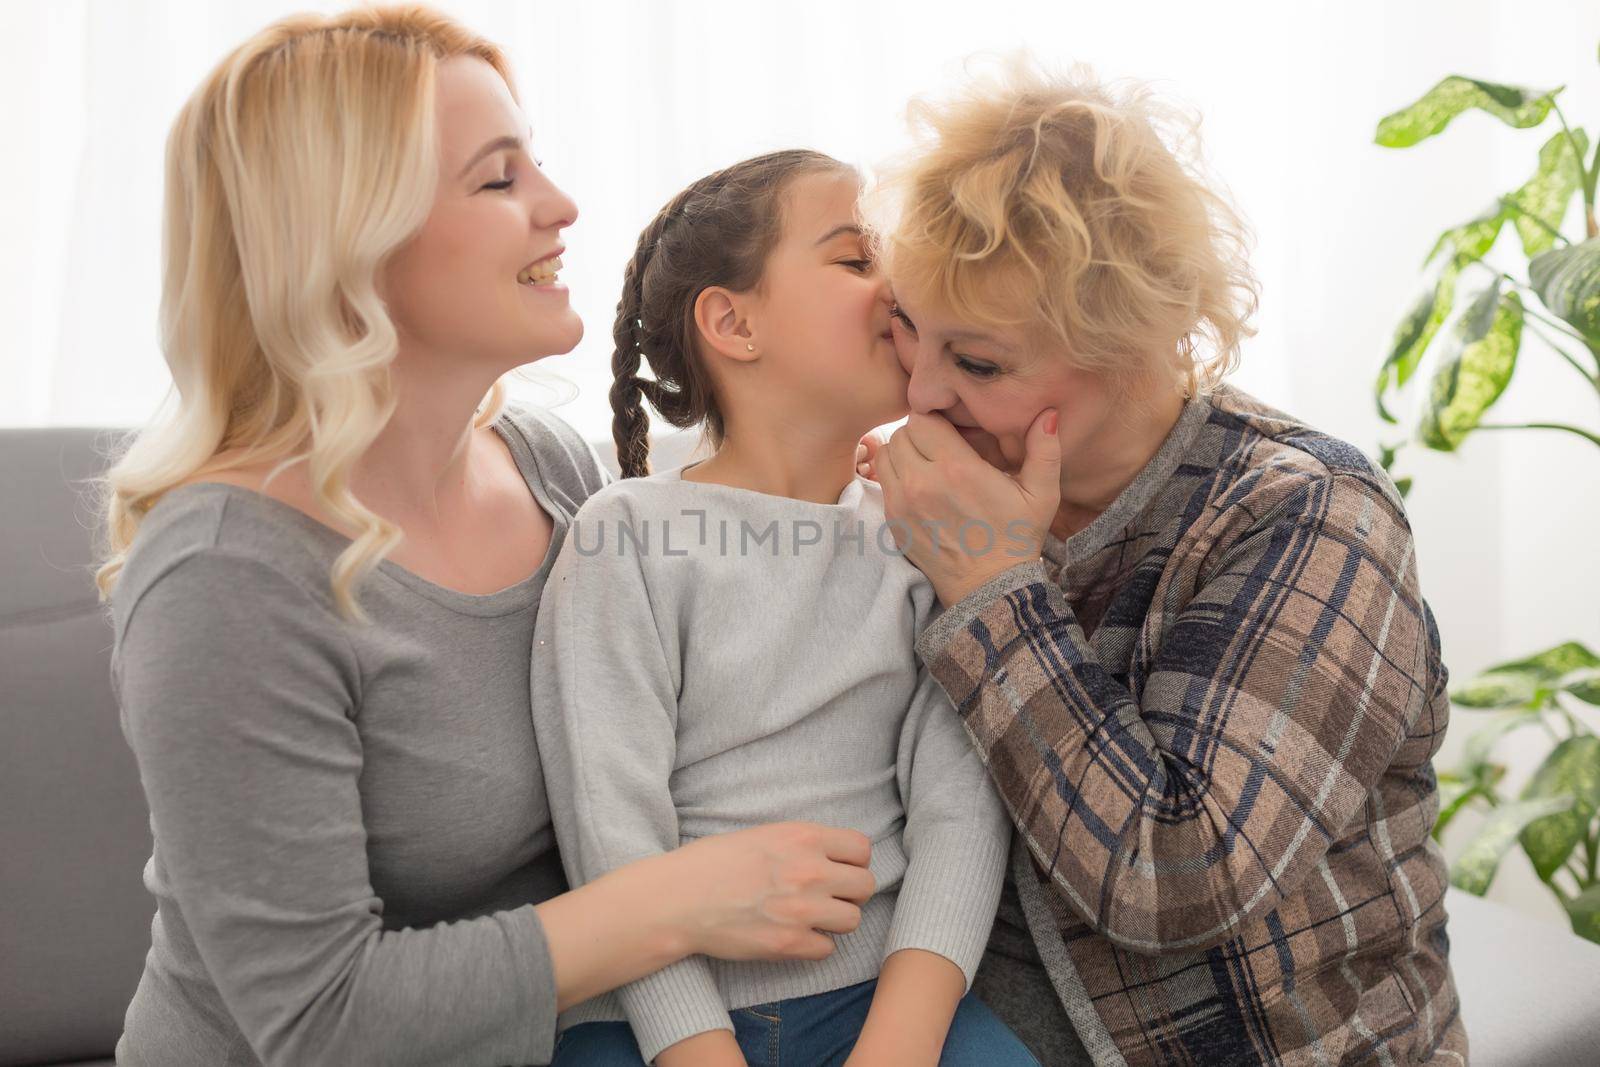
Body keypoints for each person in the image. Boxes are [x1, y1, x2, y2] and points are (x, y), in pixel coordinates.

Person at [97, 9, 875, 1064]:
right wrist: (677, 900)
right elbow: (321, 1017)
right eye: (498, 179)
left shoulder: (548, 465)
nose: (561, 206)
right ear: (349, 236)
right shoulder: (226, 571)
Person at [859, 58, 1468, 1066]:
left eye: (976, 362)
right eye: (905, 331)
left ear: (1129, 343)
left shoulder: (1306, 512)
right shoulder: (936, 486)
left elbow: (1177, 878)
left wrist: (993, 589)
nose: (918, 392)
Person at [532, 150, 1035, 1067]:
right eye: (856, 259)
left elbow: (960, 812)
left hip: (888, 1002)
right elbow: (612, 832)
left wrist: (900, 1044)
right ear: (732, 322)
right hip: (650, 1022)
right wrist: (695, 1047)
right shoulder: (626, 535)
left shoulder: (927, 531)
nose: (900, 290)